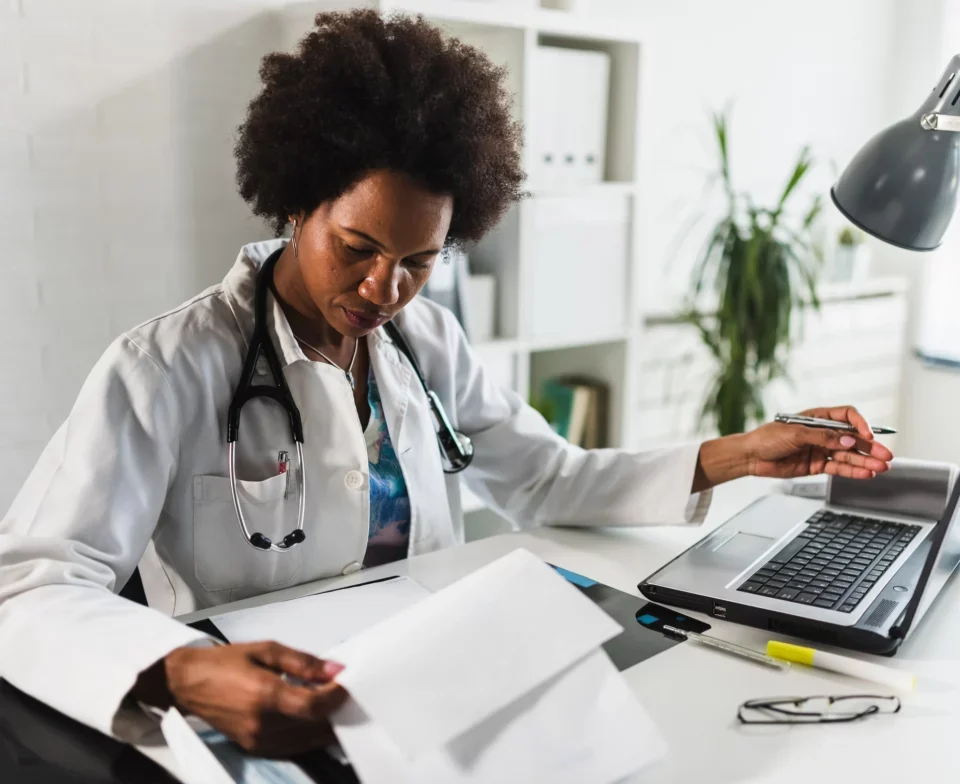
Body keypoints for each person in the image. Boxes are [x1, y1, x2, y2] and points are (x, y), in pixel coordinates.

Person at [0, 10, 893, 759]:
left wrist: (735, 454)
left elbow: (545, 478)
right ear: (296, 201)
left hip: (425, 697)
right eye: (358, 249)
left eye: (419, 261)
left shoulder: (421, 336)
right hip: (267, 722)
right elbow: (30, 586)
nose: (386, 290)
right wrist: (183, 672)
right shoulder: (165, 366)